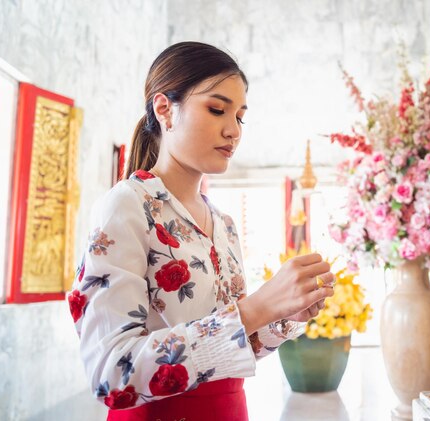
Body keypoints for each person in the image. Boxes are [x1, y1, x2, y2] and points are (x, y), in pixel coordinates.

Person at [67, 41, 335, 421]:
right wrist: (255, 307)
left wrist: (283, 313)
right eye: (216, 109)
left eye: (240, 117)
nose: (233, 130)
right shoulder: (127, 206)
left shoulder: (223, 223)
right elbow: (112, 374)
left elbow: (232, 347)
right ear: (164, 109)